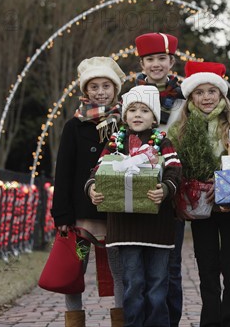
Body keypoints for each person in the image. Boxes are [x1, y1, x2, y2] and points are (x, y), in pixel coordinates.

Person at [87, 85, 182, 327]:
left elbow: (175, 171)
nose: (138, 114)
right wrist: (92, 189)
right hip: (125, 228)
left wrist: (166, 189)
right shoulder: (115, 142)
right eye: (132, 110)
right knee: (133, 284)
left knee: (158, 285)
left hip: (158, 229)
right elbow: (97, 171)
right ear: (124, 115)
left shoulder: (162, 141)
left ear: (154, 116)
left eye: (144, 110)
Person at [168, 61, 230, 327]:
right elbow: (174, 164)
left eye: (211, 91)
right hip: (200, 206)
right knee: (207, 267)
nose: (206, 97)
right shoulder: (180, 128)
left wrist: (224, 184)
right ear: (191, 96)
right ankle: (210, 320)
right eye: (199, 92)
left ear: (221, 94)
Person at [50, 56, 126, 327]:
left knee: (119, 269)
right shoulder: (74, 126)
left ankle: (121, 318)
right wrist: (61, 216)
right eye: (94, 87)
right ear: (85, 92)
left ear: (115, 90)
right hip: (81, 218)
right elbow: (64, 172)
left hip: (113, 213)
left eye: (106, 86)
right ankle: (74, 319)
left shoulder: (124, 124)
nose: (101, 91)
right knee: (76, 266)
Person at [134, 32, 186, 326]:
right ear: (142, 63)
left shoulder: (183, 98)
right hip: (140, 188)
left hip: (173, 188)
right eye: (150, 59)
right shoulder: (131, 99)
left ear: (171, 62)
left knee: (172, 265)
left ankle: (171, 321)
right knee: (140, 266)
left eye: (161, 59)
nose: (156, 65)